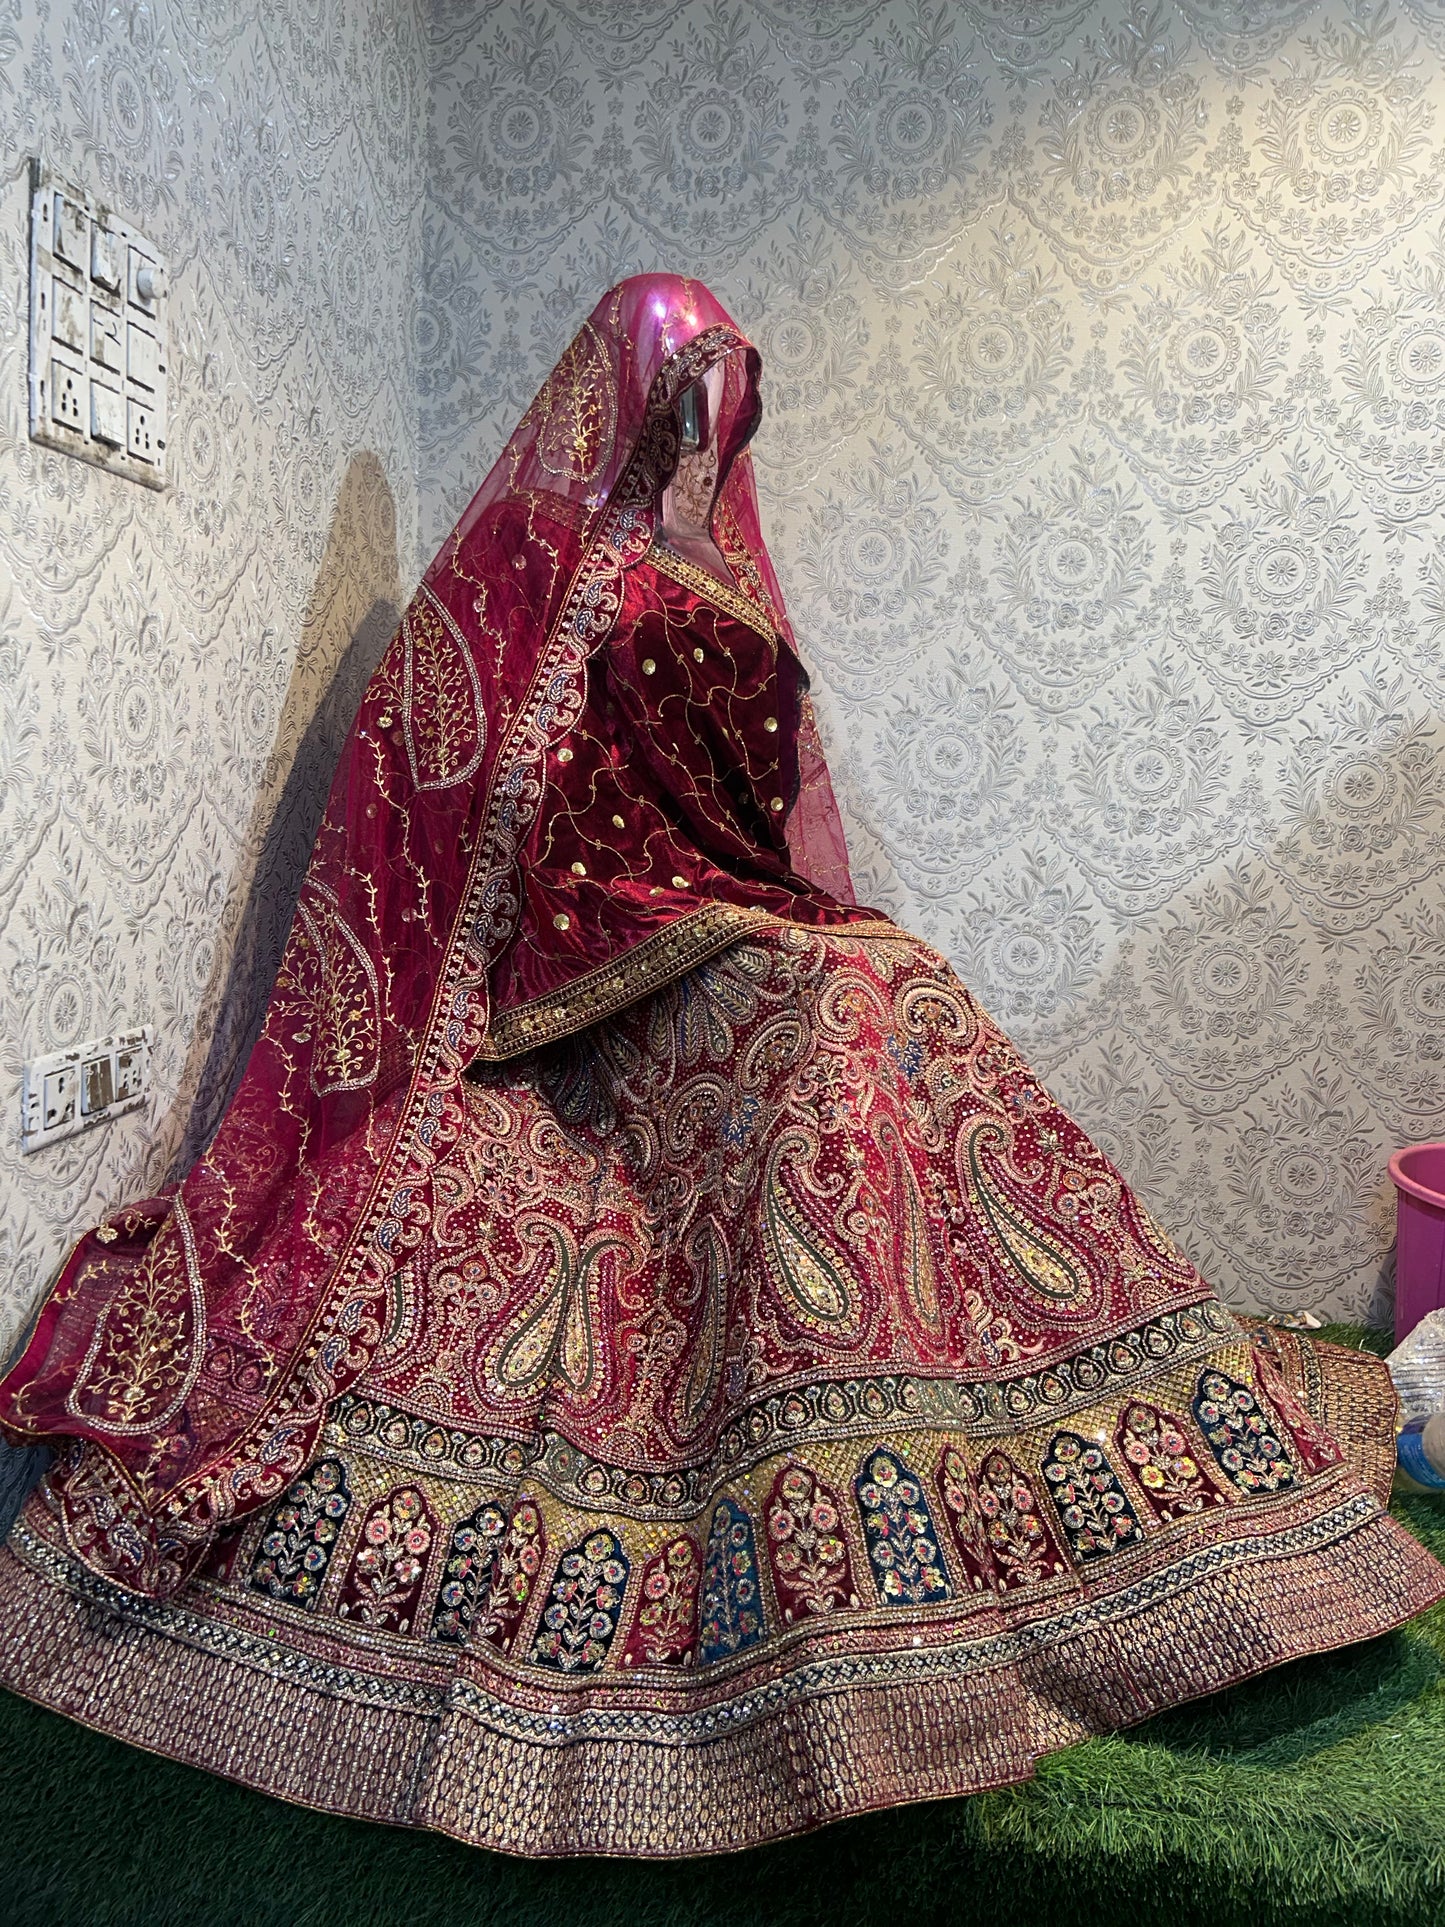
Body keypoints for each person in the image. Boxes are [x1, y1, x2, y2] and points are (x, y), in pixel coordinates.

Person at [0, 275, 1438, 1858]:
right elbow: (449, 803)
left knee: (891, 983)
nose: (703, 425)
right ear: (616, 391)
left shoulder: (717, 576)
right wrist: (618, 934)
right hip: (575, 963)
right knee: (822, 1007)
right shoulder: (526, 564)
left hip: (708, 919)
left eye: (722, 398)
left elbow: (749, 813)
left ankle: (1059, 1470)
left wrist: (760, 907)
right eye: (679, 390)